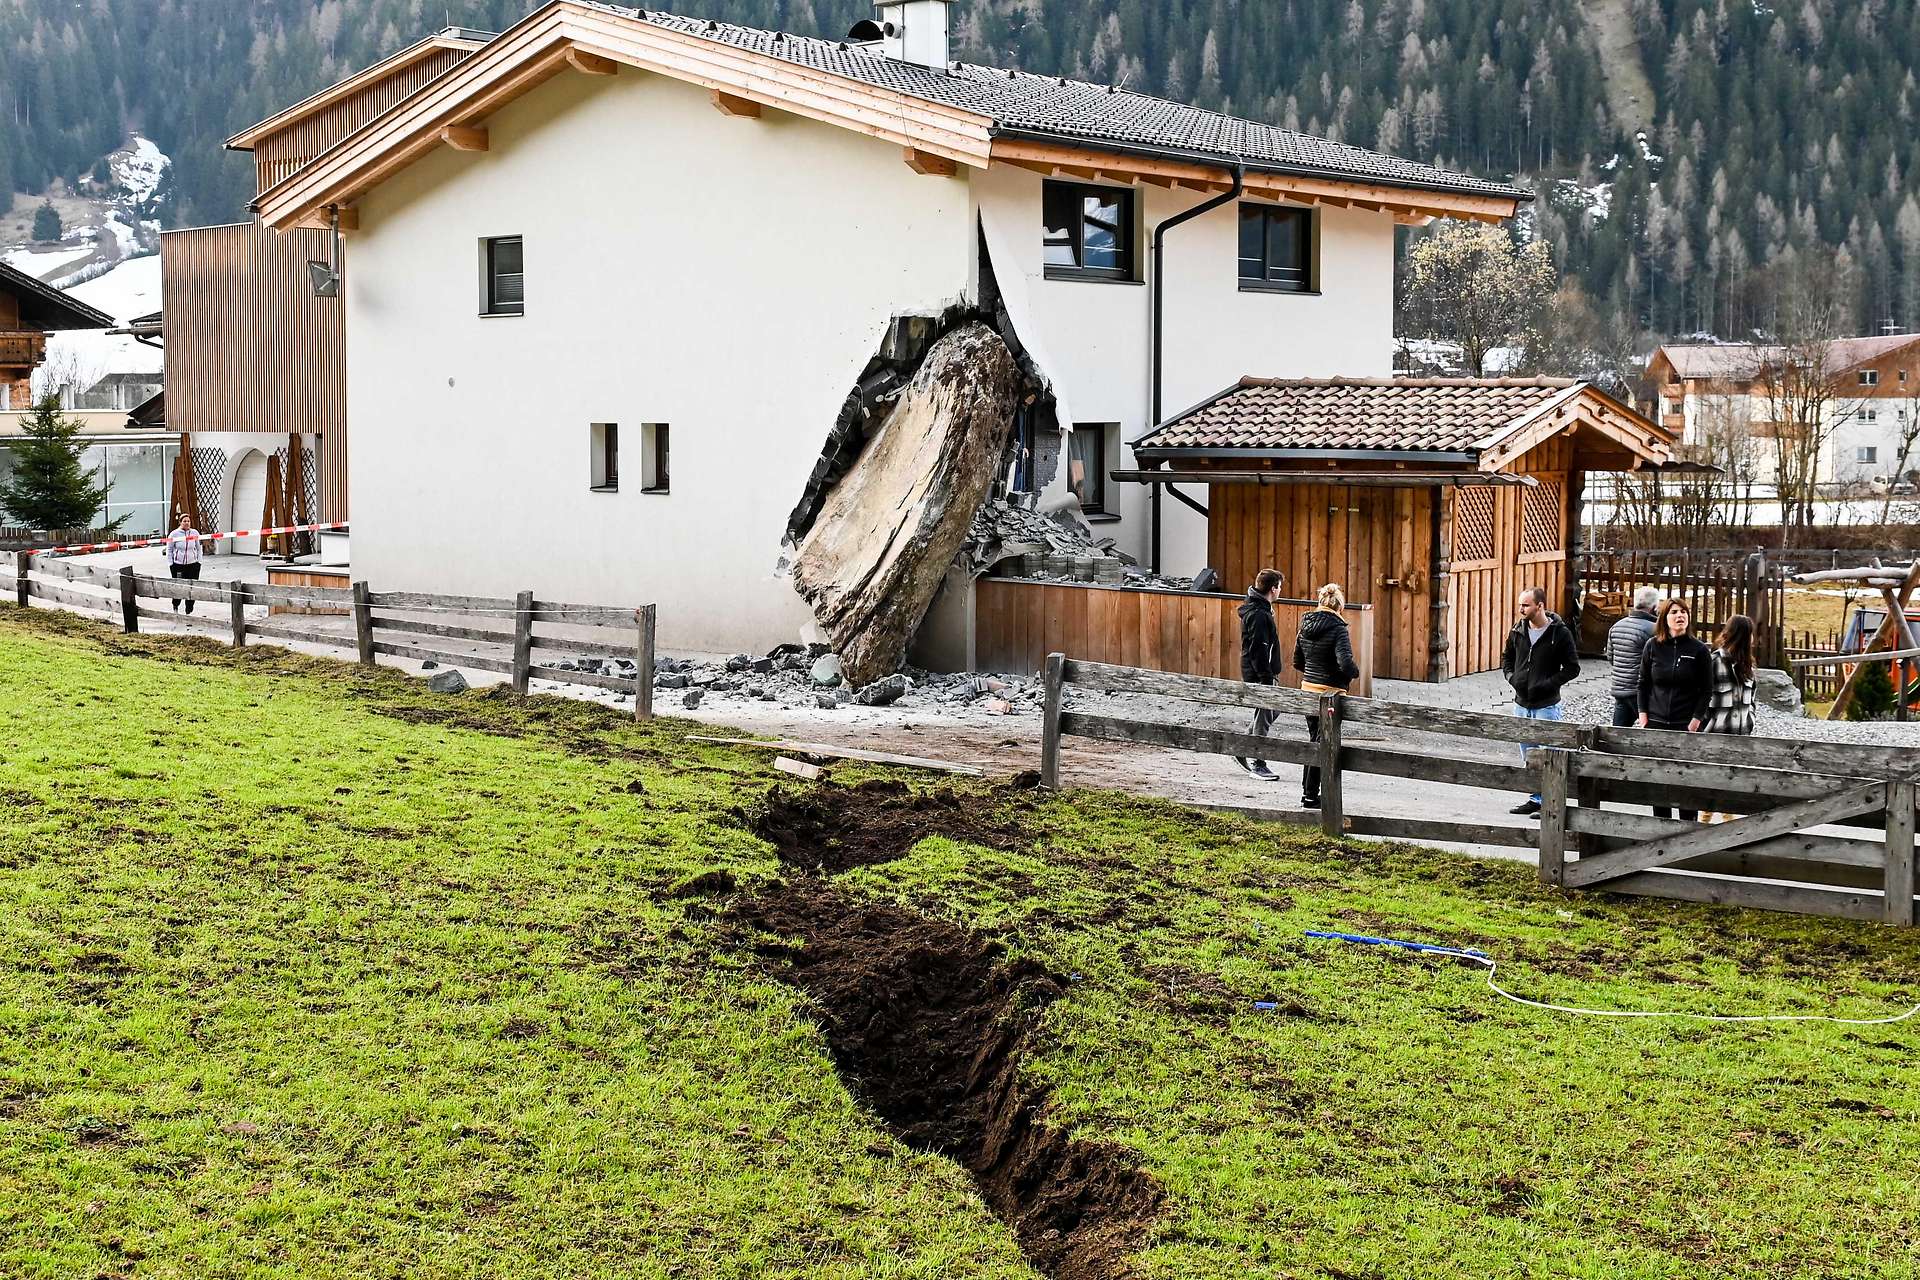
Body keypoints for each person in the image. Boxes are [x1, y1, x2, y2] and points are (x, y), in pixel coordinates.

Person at [1501, 585, 1580, 817]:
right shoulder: (1517, 630)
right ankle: (1535, 798)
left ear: (1539, 606)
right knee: (1528, 754)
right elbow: (1507, 657)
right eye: (1520, 605)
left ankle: (1552, 801)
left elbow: (1573, 668)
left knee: (1549, 754)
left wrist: (1549, 683)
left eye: (1525, 605)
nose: (1521, 609)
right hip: (1521, 703)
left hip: (1547, 705)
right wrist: (1511, 677)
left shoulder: (1559, 633)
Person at [1637, 597, 1713, 821]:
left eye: (1683, 612)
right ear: (1664, 618)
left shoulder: (1699, 650)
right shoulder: (1653, 646)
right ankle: (1661, 829)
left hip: (1685, 724)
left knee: (1685, 780)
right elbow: (1643, 683)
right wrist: (1643, 716)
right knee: (1659, 780)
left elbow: (1706, 690)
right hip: (1657, 723)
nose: (1680, 616)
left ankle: (1687, 831)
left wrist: (1696, 720)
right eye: (1674, 612)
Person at [1293, 583, 1361, 809]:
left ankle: (1308, 794)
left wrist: (1313, 672)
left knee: (1315, 740)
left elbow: (1297, 661)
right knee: (1324, 744)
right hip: (1329, 694)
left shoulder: (1305, 625)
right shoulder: (1338, 628)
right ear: (1340, 605)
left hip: (1308, 690)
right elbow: (1345, 662)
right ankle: (1312, 795)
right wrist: (1353, 673)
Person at [1700, 613, 1758, 823]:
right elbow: (1702, 697)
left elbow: (1752, 700)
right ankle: (1713, 823)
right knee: (1716, 781)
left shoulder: (1749, 667)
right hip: (1716, 734)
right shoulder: (1714, 662)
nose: (1753, 639)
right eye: (1751, 634)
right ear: (1743, 636)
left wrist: (1750, 719)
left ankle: (1713, 823)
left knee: (1729, 782)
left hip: (1741, 734)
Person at [1234, 568, 1285, 781]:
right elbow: (1259, 648)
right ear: (1273, 589)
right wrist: (1266, 677)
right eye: (1280, 587)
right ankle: (1258, 762)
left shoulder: (1260, 610)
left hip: (1263, 671)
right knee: (1265, 715)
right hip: (1260, 674)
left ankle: (1242, 746)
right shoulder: (1259, 614)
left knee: (1275, 709)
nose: (1281, 591)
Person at [1605, 586, 1661, 727]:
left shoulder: (1616, 626)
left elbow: (1611, 658)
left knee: (1618, 734)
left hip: (1619, 689)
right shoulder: (1653, 630)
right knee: (1652, 732)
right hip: (1642, 692)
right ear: (1654, 607)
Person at [165, 514, 203, 615]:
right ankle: (176, 605)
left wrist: (199, 561)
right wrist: (171, 563)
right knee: (179, 587)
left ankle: (189, 610)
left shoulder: (194, 533)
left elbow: (199, 548)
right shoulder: (174, 534)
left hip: (193, 565)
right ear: (180, 522)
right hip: (178, 565)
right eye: (184, 521)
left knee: (192, 587)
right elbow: (169, 550)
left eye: (188, 521)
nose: (187, 523)